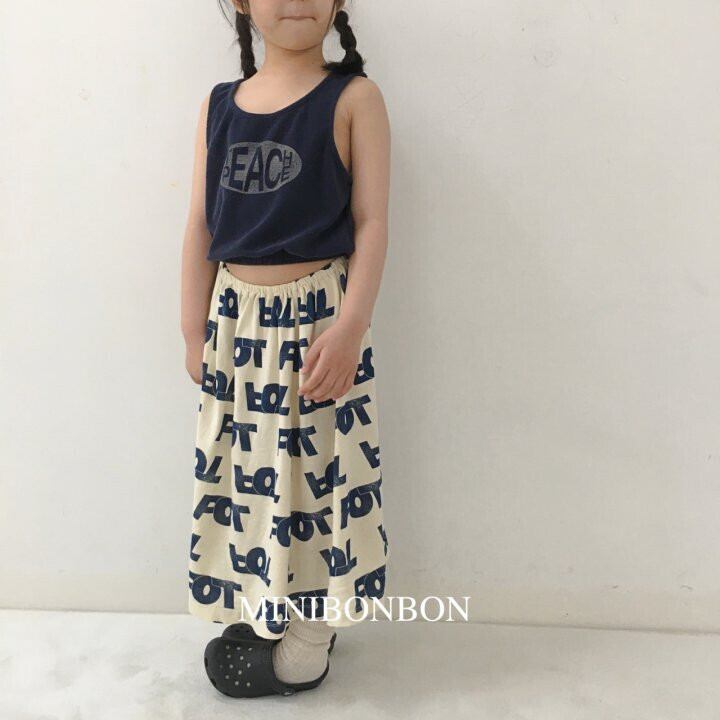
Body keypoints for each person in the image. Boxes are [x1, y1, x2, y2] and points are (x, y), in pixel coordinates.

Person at [180, 0, 391, 698]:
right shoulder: (218, 106)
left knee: (319, 472)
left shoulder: (353, 98)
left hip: (319, 325)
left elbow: (372, 221)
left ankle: (311, 634)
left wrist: (351, 325)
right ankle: (270, 603)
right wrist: (192, 330)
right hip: (236, 324)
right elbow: (200, 224)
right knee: (253, 475)